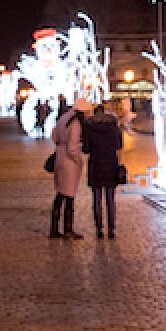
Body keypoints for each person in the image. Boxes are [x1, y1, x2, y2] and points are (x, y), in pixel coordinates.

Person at [83, 103, 125, 239]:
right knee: (110, 200)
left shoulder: (89, 127)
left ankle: (99, 229)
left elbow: (86, 149)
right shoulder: (114, 127)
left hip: (96, 165)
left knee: (96, 200)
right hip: (111, 164)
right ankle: (111, 229)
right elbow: (119, 145)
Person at [49, 97, 88, 239]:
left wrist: (60, 146)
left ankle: (54, 228)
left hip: (60, 158)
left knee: (60, 195)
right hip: (70, 164)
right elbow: (72, 148)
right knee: (69, 197)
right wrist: (79, 161)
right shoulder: (76, 123)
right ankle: (68, 229)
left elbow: (54, 136)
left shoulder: (64, 117)